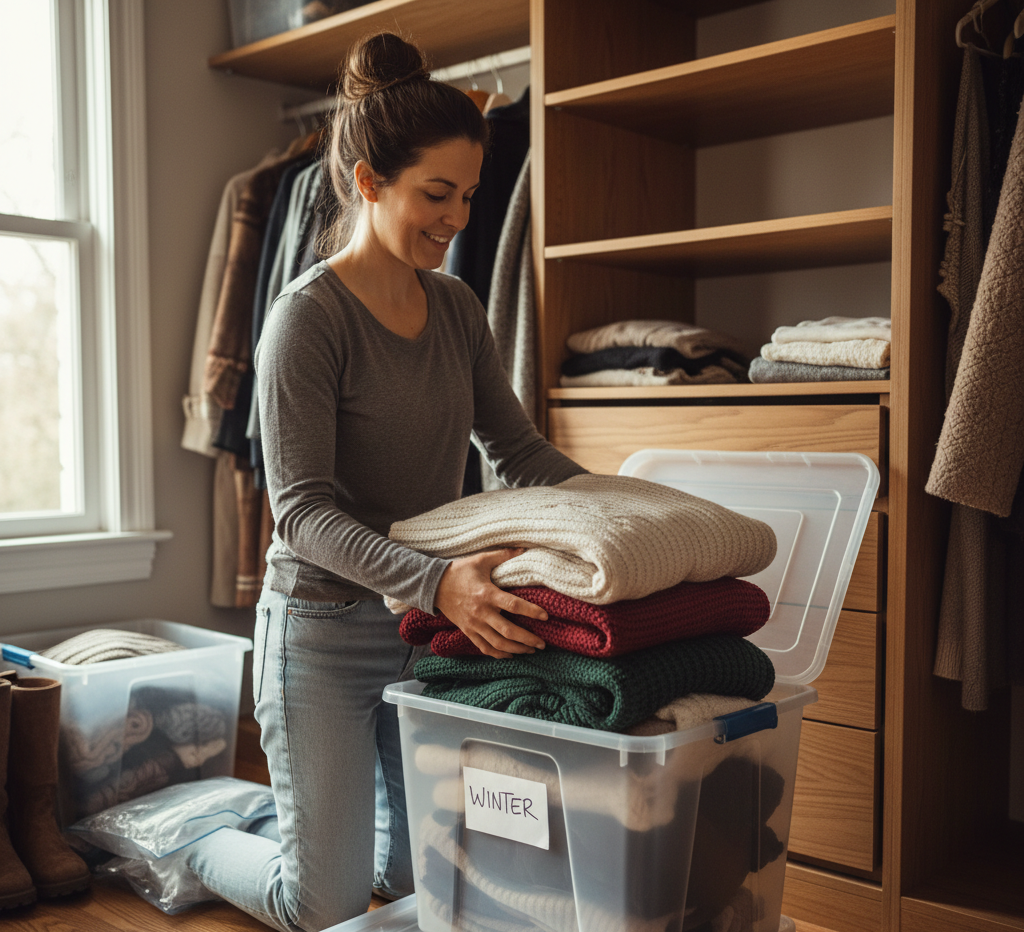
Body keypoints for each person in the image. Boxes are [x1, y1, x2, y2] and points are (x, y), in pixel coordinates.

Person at [185, 31, 587, 932]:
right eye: (435, 194)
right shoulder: (307, 319)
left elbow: (516, 449)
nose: (458, 218)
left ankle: (308, 819)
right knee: (321, 902)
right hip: (322, 633)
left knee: (423, 886)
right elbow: (300, 512)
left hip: (425, 633)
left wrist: (629, 511)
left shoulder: (456, 306)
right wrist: (441, 579)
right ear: (369, 183)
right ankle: (193, 835)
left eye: (471, 196)